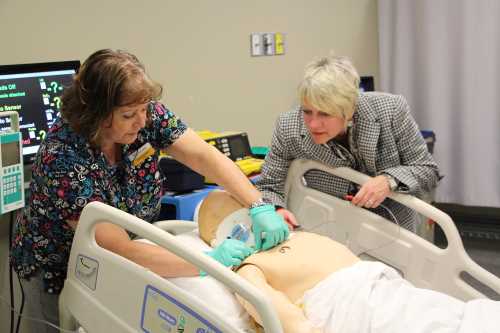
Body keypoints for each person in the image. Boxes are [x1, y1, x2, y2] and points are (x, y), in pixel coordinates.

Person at [9, 49, 288, 332]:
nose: (142, 122)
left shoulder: (145, 113)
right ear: (96, 114)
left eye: (144, 110)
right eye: (129, 115)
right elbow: (120, 249)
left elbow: (205, 157)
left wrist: (258, 205)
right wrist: (208, 263)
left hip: (135, 249)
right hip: (60, 265)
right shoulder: (62, 158)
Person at [197, 190, 500, 333]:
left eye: (245, 212)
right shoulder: (250, 266)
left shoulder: (289, 235)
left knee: (451, 316)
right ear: (218, 241)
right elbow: (281, 317)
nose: (246, 225)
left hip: (385, 290)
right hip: (350, 307)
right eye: (229, 222)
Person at [256, 54, 441, 232]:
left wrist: (388, 180)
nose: (312, 124)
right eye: (307, 111)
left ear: (350, 109)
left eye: (325, 114)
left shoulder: (391, 112)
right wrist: (276, 210)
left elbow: (428, 170)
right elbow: (269, 185)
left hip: (394, 229)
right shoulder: (289, 127)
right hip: (332, 227)